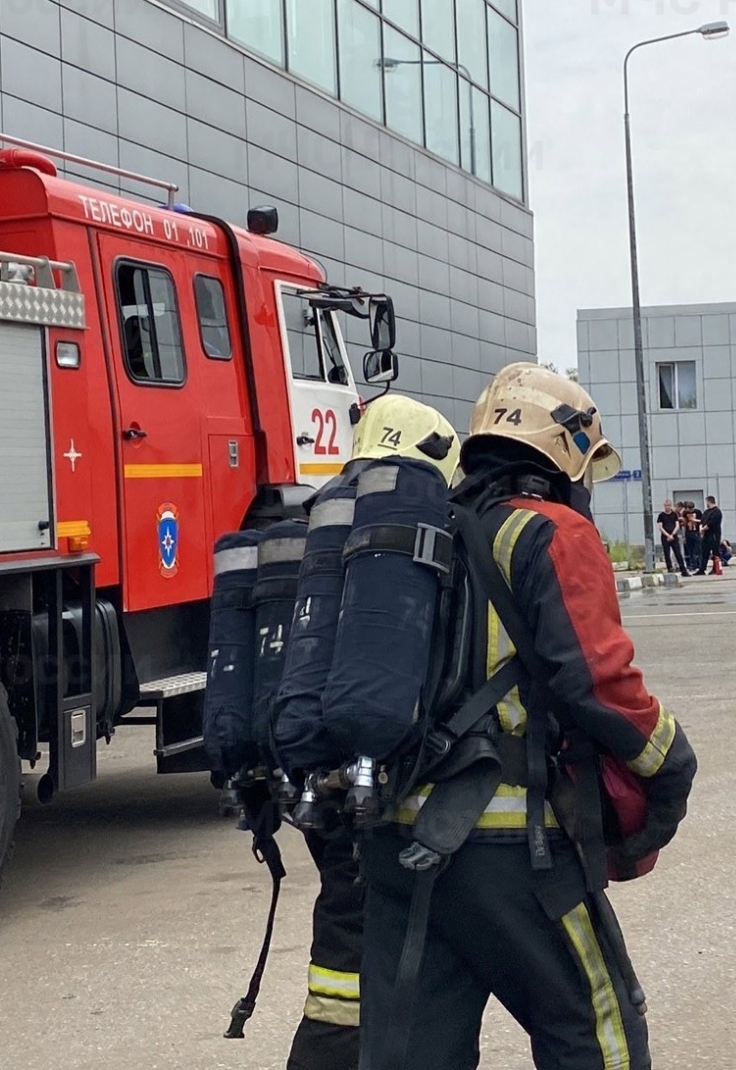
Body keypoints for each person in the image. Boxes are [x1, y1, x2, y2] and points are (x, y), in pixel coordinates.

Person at [358, 362, 697, 1070]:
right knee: (599, 1034)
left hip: (397, 843)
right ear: (565, 449)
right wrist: (670, 761)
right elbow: (598, 684)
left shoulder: (425, 532)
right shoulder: (552, 532)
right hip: (511, 852)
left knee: (414, 1056)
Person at [287, 394, 463, 1070]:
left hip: (310, 766)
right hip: (381, 775)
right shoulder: (411, 526)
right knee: (371, 948)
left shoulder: (320, 520)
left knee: (343, 930)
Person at [657, 498, 687, 576]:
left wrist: (672, 535)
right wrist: (667, 535)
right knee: (667, 553)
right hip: (665, 537)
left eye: (669, 505)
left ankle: (683, 569)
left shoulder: (674, 514)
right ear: (664, 506)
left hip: (674, 536)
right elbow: (660, 527)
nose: (667, 507)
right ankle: (669, 568)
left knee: (678, 553)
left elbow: (677, 525)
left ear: (671, 506)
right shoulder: (661, 515)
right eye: (666, 505)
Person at [701, 496, 725, 576]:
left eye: (707, 502)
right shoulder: (706, 512)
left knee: (715, 552)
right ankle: (702, 569)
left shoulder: (717, 512)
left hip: (714, 534)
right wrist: (701, 528)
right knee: (705, 552)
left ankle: (716, 568)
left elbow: (711, 523)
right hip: (706, 535)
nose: (706, 504)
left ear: (709, 501)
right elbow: (702, 521)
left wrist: (703, 529)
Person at [682, 503, 704, 576]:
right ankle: (692, 564)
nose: (689, 510)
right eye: (689, 508)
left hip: (696, 532)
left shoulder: (698, 512)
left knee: (698, 549)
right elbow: (684, 524)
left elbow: (702, 521)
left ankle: (700, 564)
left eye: (691, 509)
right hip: (688, 532)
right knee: (690, 549)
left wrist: (694, 520)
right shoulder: (685, 513)